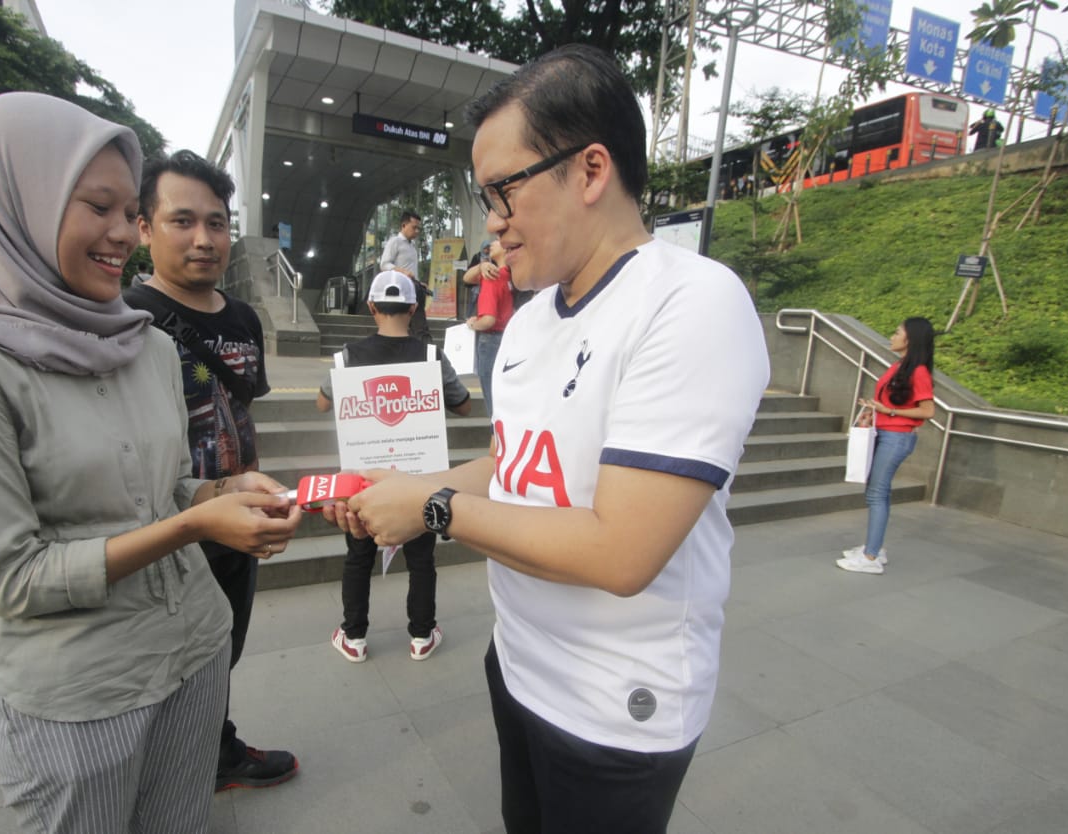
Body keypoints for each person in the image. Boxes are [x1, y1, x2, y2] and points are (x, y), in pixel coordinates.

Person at [325, 45, 769, 834]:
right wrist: (390, 493)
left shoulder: (691, 303)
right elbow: (517, 464)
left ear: (591, 169)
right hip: (520, 664)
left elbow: (621, 551)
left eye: (503, 191)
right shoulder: (530, 323)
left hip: (615, 709)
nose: (491, 222)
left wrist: (431, 509)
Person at [0, 92, 300, 833]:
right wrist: (196, 524)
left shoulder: (145, 343)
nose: (119, 236)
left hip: (194, 655)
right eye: (97, 207)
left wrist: (225, 486)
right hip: (79, 699)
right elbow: (13, 577)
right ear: (18, 202)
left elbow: (164, 489)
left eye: (126, 212)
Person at [123, 150, 299, 793]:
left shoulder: (244, 319)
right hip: (159, 529)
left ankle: (215, 751)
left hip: (234, 521)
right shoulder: (122, 319)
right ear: (144, 228)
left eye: (218, 223)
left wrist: (260, 500)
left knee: (225, 647)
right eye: (182, 221)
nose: (204, 239)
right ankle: (156, 770)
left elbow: (240, 413)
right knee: (163, 660)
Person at [318, 270, 470, 662]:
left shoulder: (347, 356)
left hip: (364, 478)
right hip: (418, 477)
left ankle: (354, 636)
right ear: (414, 308)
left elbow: (323, 402)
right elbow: (463, 404)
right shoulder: (432, 356)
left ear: (371, 307)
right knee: (422, 558)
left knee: (358, 555)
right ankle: (422, 635)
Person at [837, 317, 936, 575]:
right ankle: (875, 547)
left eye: (897, 333)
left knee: (876, 494)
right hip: (886, 433)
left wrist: (888, 411)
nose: (892, 337)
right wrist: (876, 411)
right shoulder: (901, 366)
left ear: (910, 340)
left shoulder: (919, 371)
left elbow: (928, 411)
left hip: (896, 438)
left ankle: (870, 557)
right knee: (879, 493)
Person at [464, 239, 513, 416]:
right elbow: (467, 278)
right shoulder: (510, 276)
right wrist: (481, 266)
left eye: (498, 240)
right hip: (507, 339)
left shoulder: (492, 278)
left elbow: (488, 320)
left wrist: (472, 323)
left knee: (493, 403)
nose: (492, 243)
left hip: (490, 340)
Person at [379, 209, 431, 341]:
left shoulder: (412, 246)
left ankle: (419, 344)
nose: (417, 231)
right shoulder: (394, 242)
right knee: (415, 322)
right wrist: (402, 272)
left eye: (418, 228)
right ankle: (423, 343)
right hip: (400, 289)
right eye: (414, 227)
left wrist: (419, 282)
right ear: (403, 225)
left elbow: (412, 270)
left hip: (414, 288)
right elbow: (384, 265)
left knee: (416, 321)